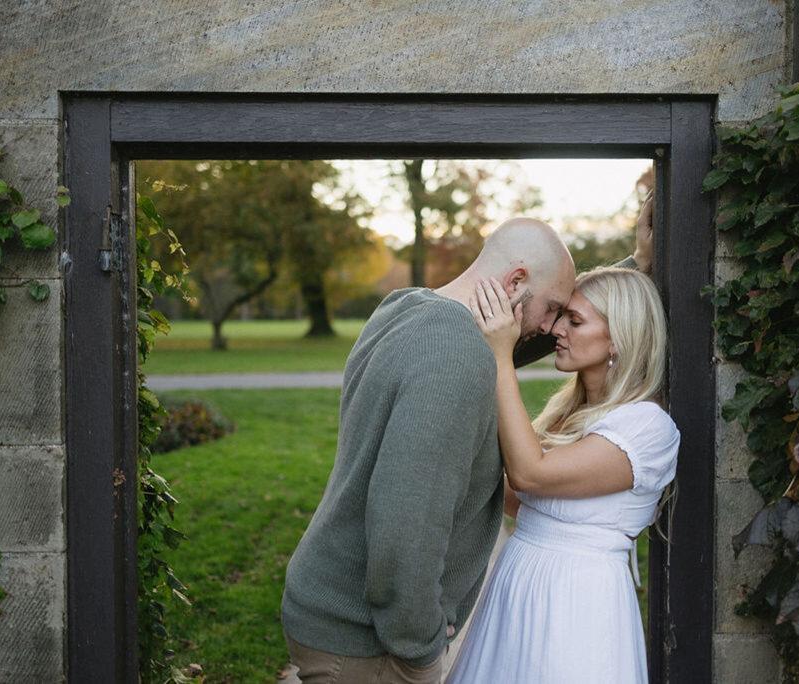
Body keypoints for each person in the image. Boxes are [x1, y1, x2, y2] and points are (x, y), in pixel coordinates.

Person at [280, 217, 575, 684]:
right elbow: (407, 520)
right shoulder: (459, 358)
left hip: (325, 609)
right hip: (366, 648)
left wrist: (633, 267)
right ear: (515, 281)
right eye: (554, 308)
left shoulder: (406, 307)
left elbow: (501, 345)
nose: (550, 327)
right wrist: (420, 648)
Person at [445, 264, 680, 684]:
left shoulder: (646, 427)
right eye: (560, 316)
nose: (557, 329)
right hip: (518, 584)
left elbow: (529, 475)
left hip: (577, 602)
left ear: (620, 337)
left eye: (575, 320)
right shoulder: (568, 414)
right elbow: (512, 498)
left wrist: (501, 355)